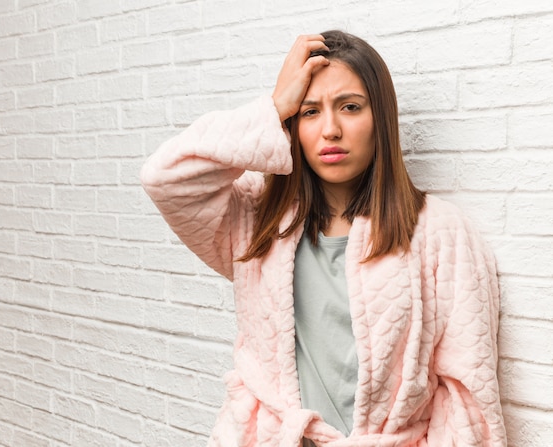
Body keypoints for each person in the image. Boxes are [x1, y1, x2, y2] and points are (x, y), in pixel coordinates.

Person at [141, 30, 506, 447]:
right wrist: (275, 105)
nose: (330, 129)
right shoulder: (258, 223)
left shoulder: (441, 231)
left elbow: (467, 400)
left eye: (350, 107)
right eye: (309, 112)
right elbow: (163, 178)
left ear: (380, 118)